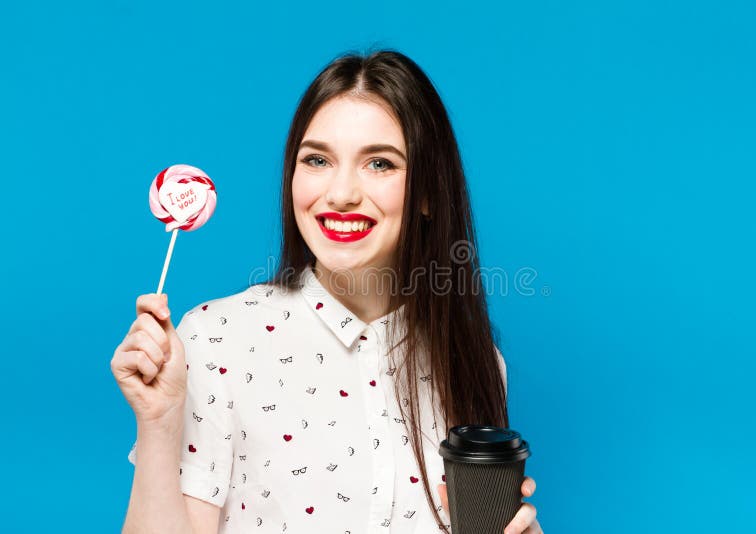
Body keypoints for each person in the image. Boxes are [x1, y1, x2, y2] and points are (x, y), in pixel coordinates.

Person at [111, 49, 541, 534]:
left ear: (426, 193)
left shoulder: (472, 358)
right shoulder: (215, 340)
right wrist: (159, 423)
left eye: (379, 164)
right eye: (317, 159)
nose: (340, 194)